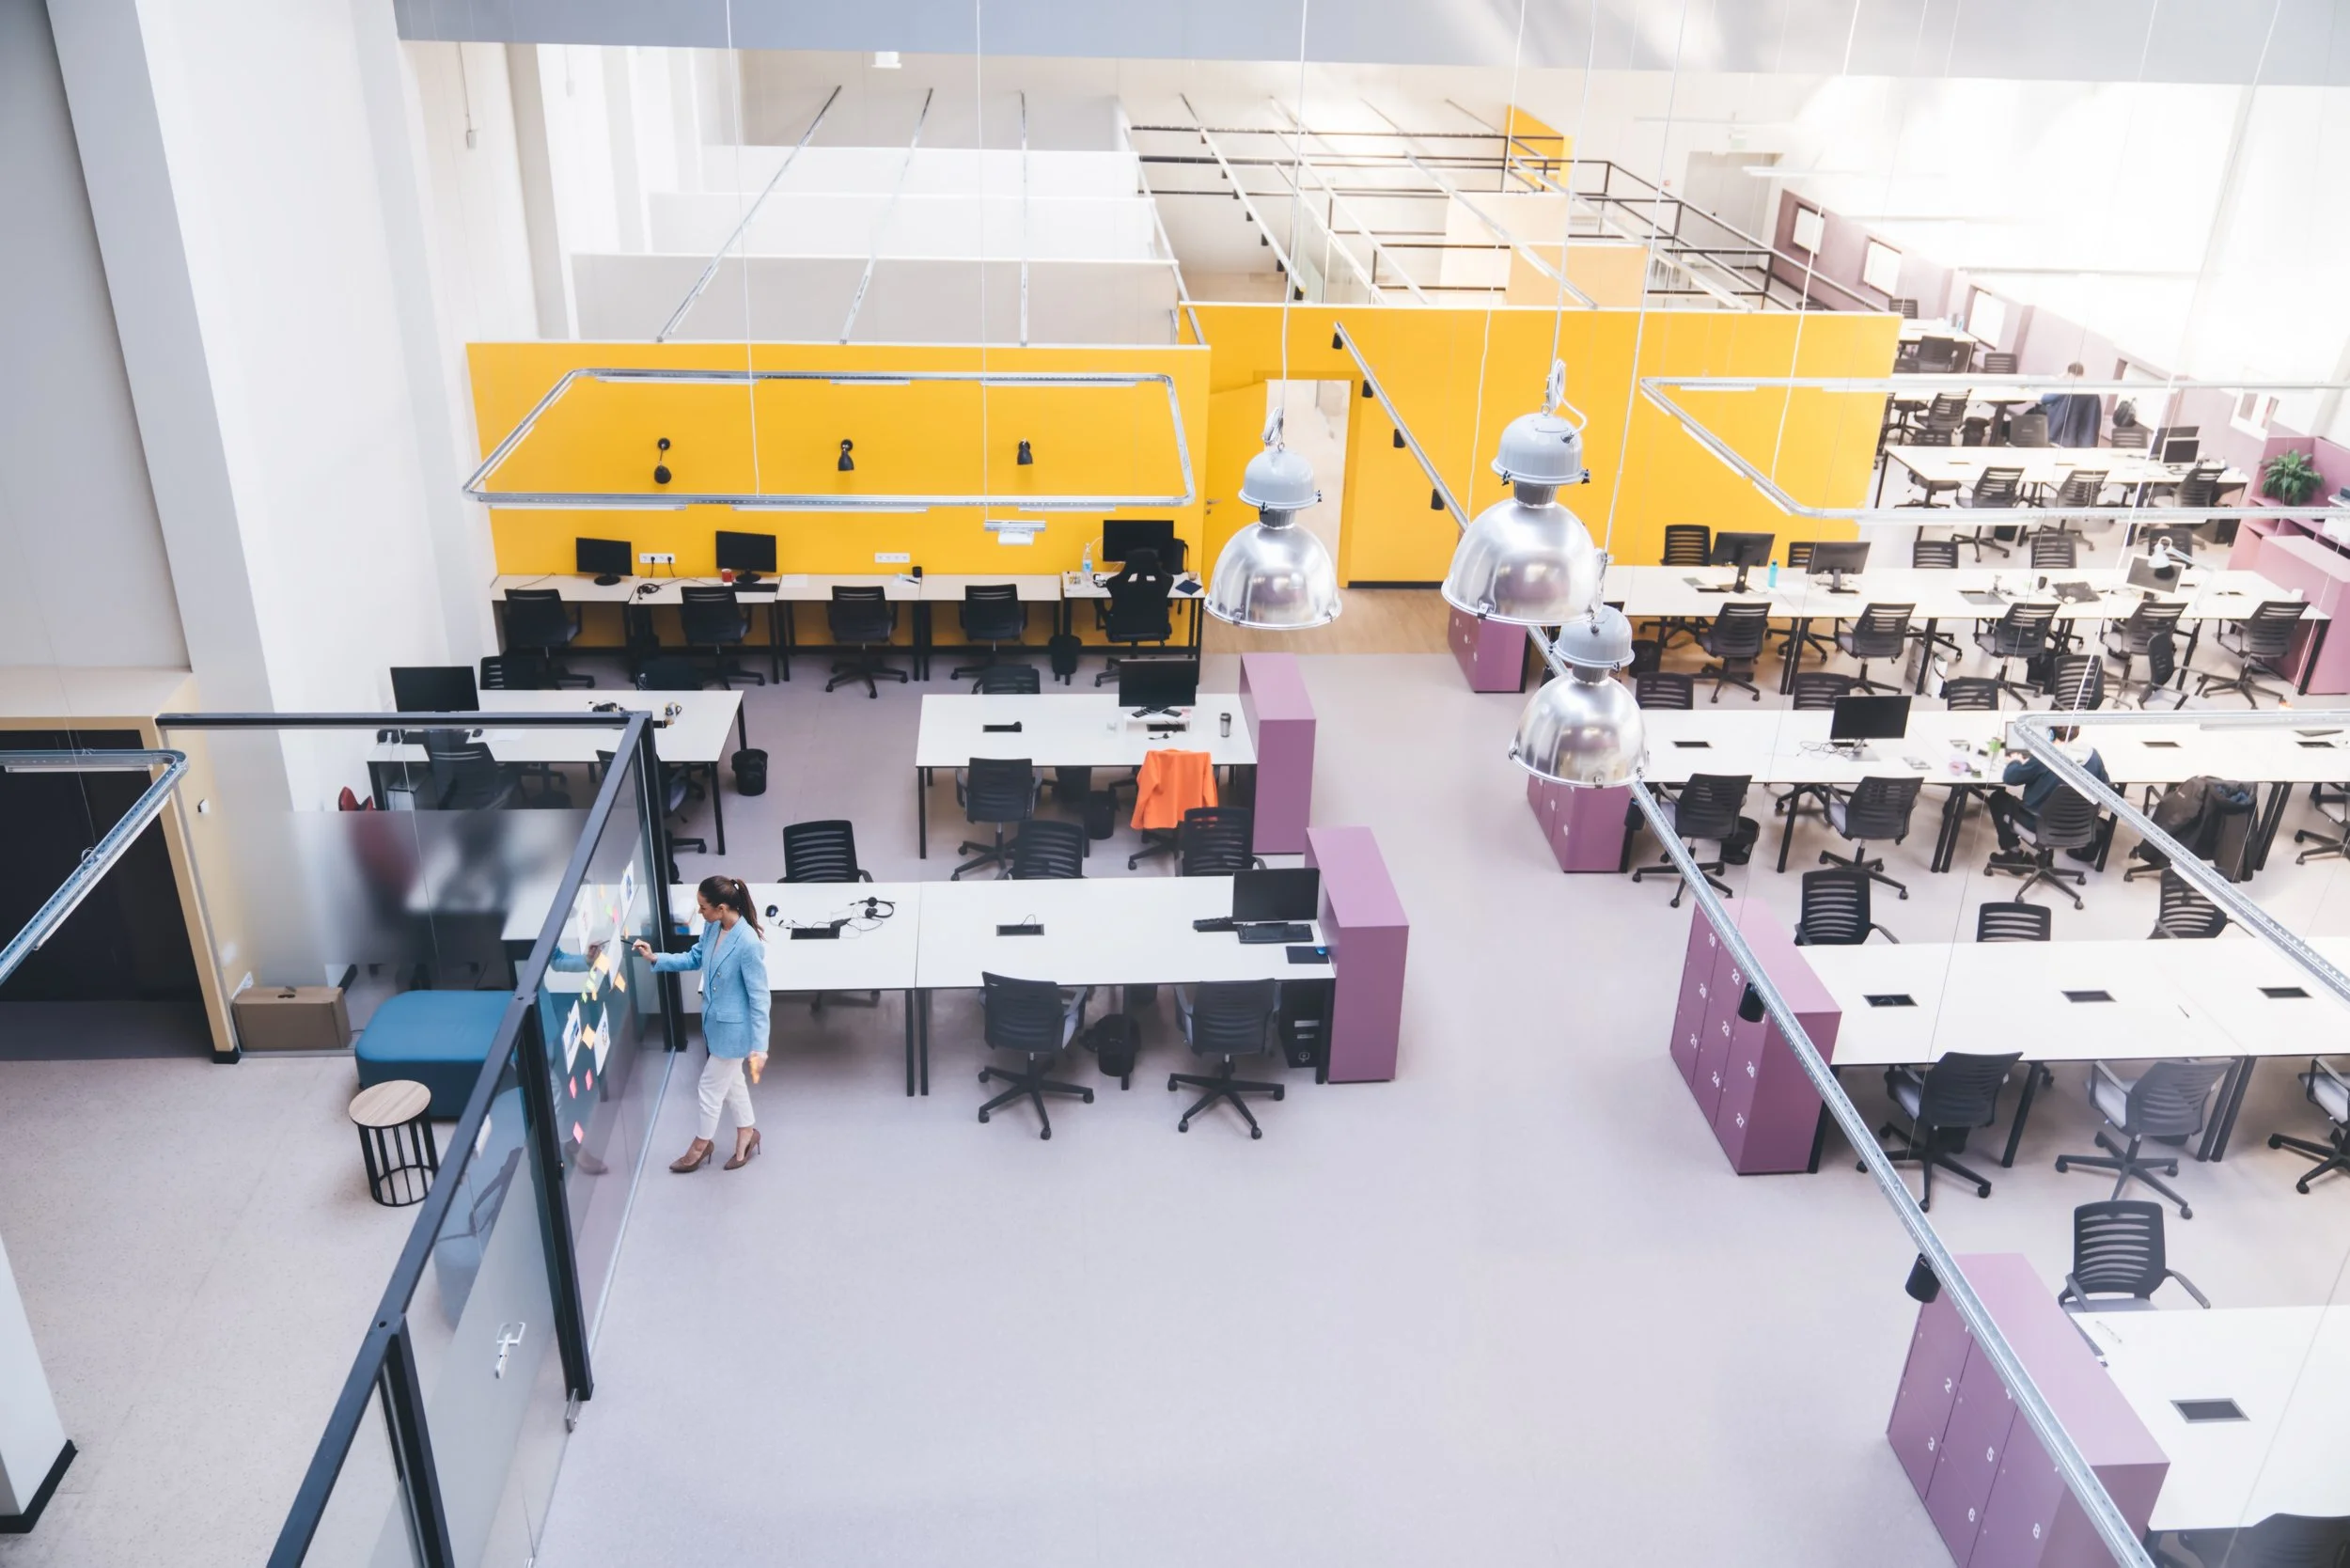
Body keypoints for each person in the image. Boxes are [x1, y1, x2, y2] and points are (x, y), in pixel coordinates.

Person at [634, 875, 770, 1172]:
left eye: (703, 907)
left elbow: (760, 998)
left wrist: (761, 1046)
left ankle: (701, 1143)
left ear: (721, 908)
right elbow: (695, 958)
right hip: (716, 1025)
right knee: (731, 1083)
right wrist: (655, 957)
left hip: (735, 1032)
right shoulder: (712, 927)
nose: (699, 912)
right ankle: (747, 1133)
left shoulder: (747, 944)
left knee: (709, 1086)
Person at [1986, 742, 2110, 864]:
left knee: (1997, 798)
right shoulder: (2093, 756)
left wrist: (2015, 759)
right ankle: (2045, 856)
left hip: (2039, 824)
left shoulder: (2043, 755)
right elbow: (2105, 789)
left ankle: (2013, 854)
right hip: (2079, 826)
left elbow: (2010, 778)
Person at [2037, 362, 2102, 448]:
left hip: (2062, 437)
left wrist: (2059, 381)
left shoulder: (2067, 387)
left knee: (2041, 409)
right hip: (2083, 440)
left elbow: (2045, 399)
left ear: (2070, 375)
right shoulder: (2092, 392)